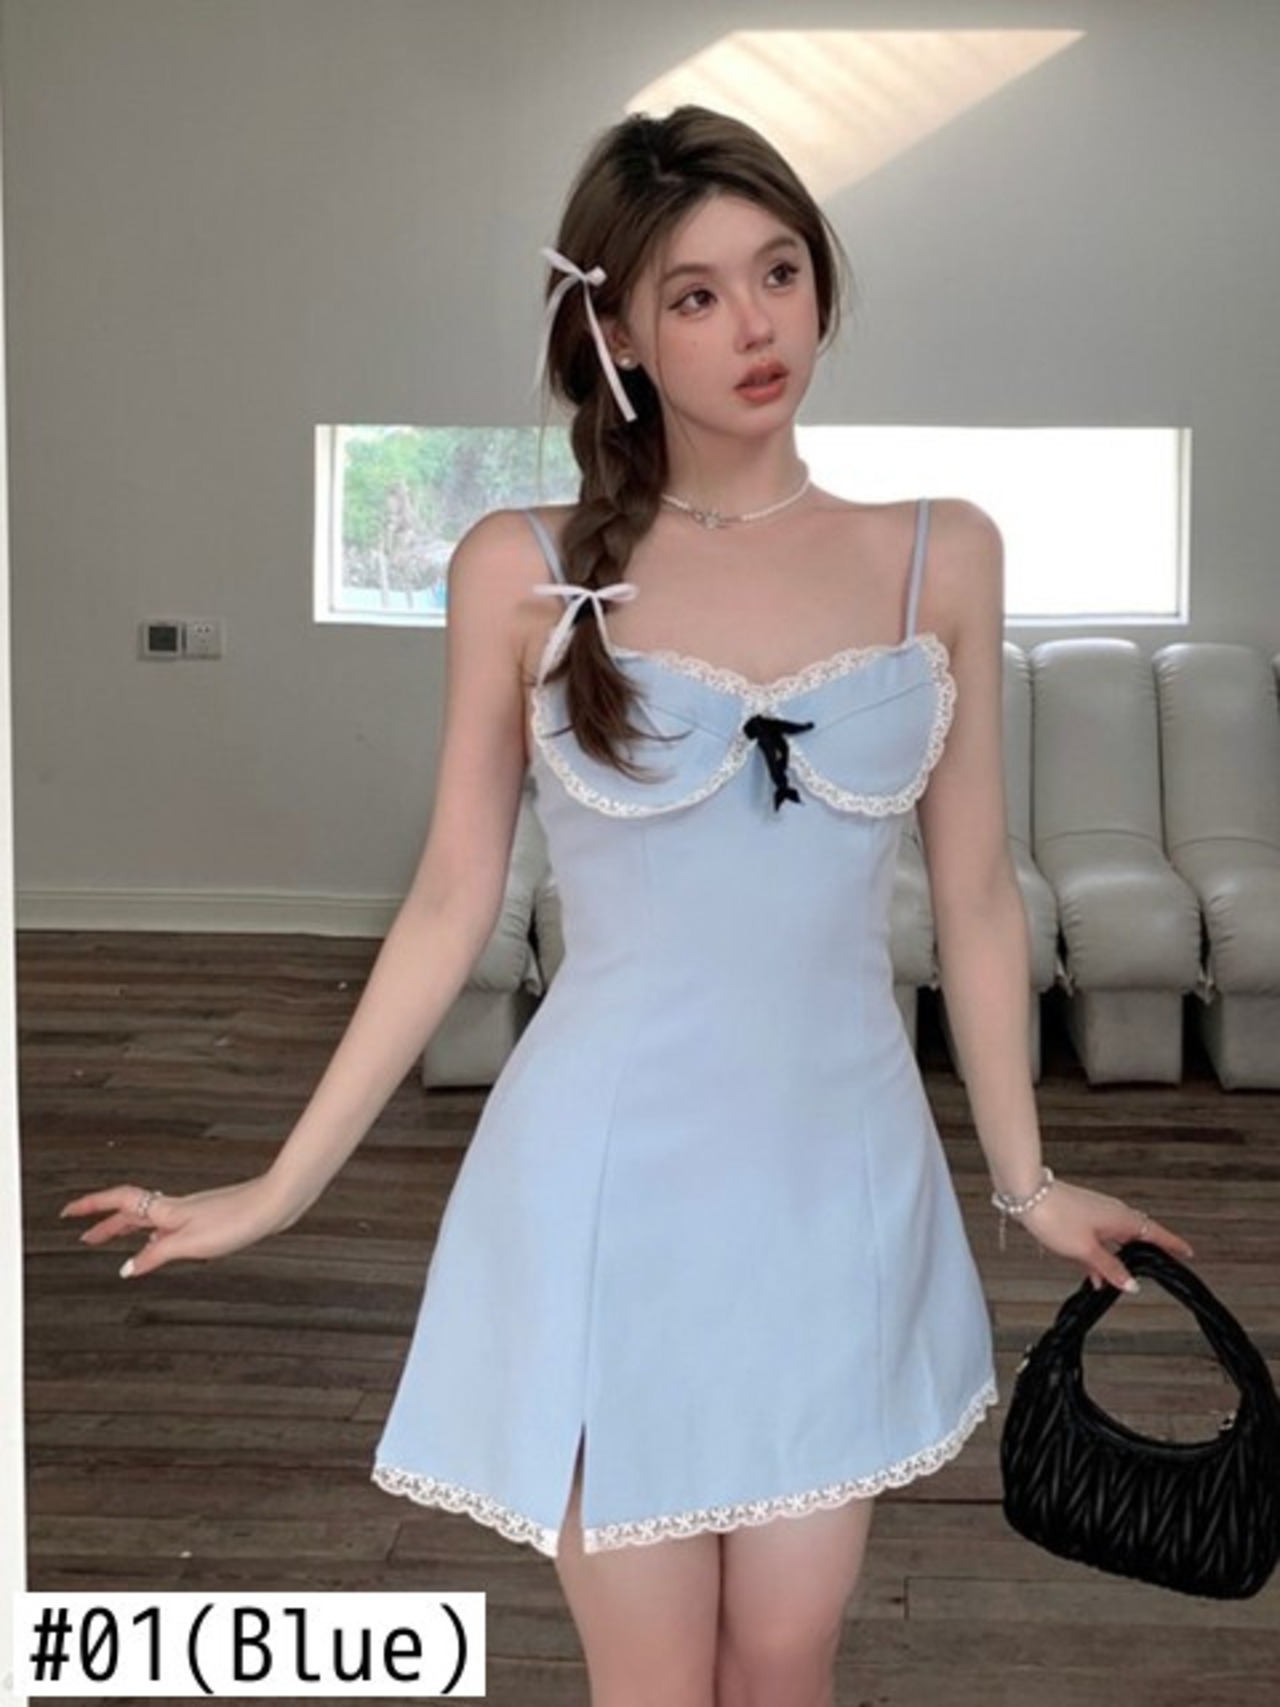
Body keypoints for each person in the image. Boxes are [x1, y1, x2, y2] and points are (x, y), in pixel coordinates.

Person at [61, 107, 1194, 1707]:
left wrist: (1030, 1185)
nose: (756, 326)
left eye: (781, 273)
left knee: (785, 1658)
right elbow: (451, 899)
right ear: (616, 335)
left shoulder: (940, 554)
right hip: (600, 1190)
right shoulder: (517, 566)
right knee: (655, 1677)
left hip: (838, 1181)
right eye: (695, 296)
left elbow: (979, 902)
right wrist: (281, 1187)